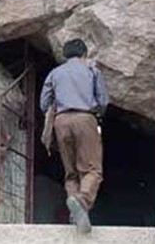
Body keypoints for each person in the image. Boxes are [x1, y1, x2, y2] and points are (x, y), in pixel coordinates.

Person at [39, 38, 109, 234]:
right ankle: (82, 201)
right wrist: (97, 115)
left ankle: (75, 216)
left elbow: (44, 104)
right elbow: (103, 101)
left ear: (65, 55)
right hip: (85, 119)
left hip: (61, 122)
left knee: (71, 172)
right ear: (84, 54)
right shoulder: (92, 71)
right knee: (93, 170)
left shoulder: (55, 73)